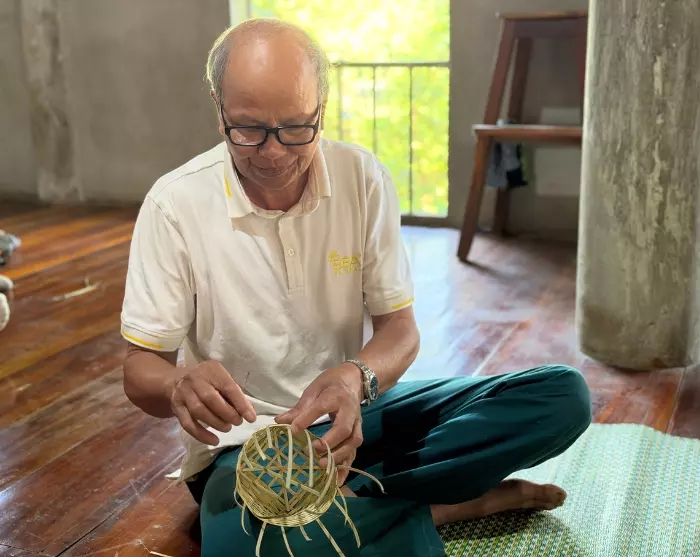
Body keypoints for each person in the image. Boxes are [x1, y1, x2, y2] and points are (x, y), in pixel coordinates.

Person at [121, 19, 591, 557]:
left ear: (322, 106)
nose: (273, 152)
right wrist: (177, 385)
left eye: (296, 127)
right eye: (248, 129)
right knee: (243, 547)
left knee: (561, 396)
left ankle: (344, 508)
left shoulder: (363, 179)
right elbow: (140, 369)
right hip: (244, 450)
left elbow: (400, 331)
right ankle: (445, 506)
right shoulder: (174, 205)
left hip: (353, 422)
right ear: (218, 106)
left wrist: (354, 379)